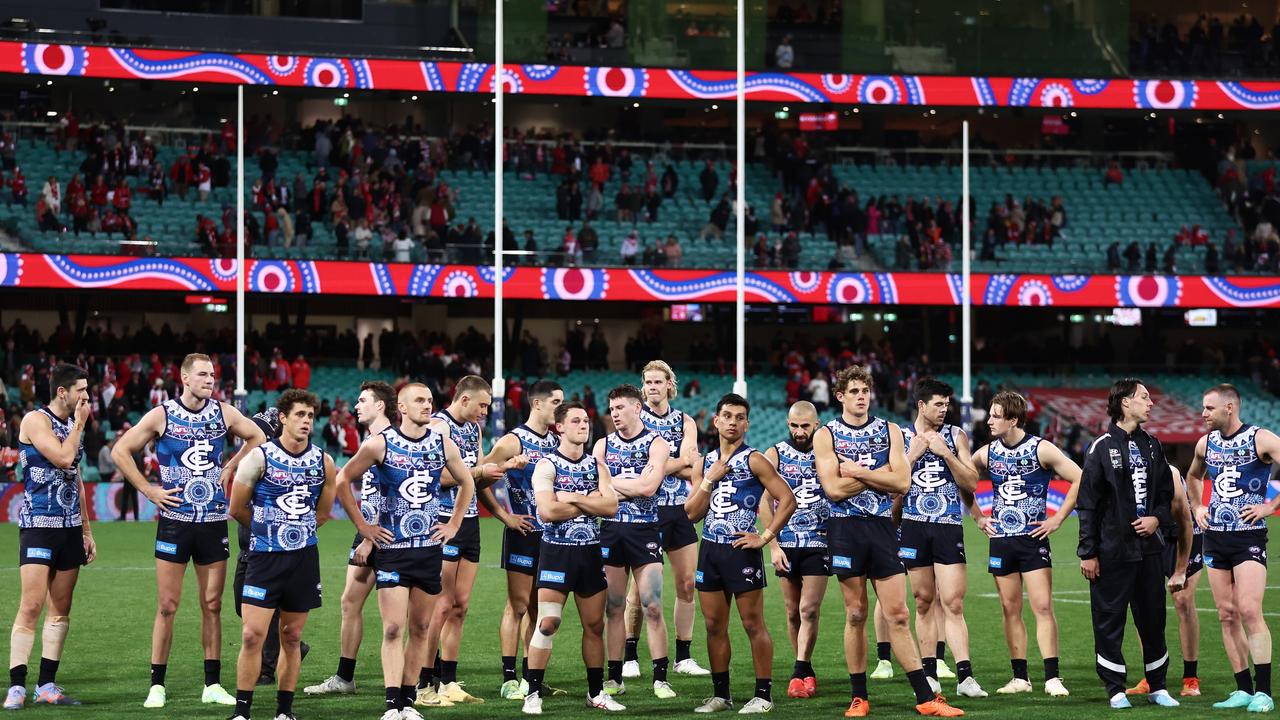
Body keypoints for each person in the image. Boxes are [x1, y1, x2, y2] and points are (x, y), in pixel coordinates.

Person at [112, 353, 266, 709]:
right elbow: (121, 451)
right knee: (167, 605)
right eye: (202, 374)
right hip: (175, 522)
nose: (210, 379)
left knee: (212, 604)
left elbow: (257, 437)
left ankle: (212, 684)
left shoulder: (225, 412)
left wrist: (232, 465)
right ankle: (157, 684)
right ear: (184, 378)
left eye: (212, 374)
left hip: (213, 521)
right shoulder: (161, 415)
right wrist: (148, 490)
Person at [813, 365, 962, 717]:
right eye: (853, 392)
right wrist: (882, 476)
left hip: (881, 528)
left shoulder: (890, 430)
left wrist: (860, 472)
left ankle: (926, 697)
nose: (861, 397)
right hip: (845, 529)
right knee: (855, 614)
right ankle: (859, 697)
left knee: (898, 614)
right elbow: (833, 490)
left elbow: (903, 484)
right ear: (840, 396)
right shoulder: (827, 435)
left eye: (865, 391)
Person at [334, 382, 477, 720]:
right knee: (393, 629)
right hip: (393, 550)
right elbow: (342, 480)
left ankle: (408, 702)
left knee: (421, 629)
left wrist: (454, 524)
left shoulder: (442, 441)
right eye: (419, 400)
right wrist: (364, 528)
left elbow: (467, 481)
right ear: (401, 406)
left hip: (429, 550)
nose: (427, 406)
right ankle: (391, 704)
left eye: (429, 400)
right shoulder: (380, 444)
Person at [227, 389, 337, 720]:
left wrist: (297, 533)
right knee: (251, 635)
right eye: (300, 415)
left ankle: (284, 712)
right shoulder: (259, 457)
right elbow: (237, 507)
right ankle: (242, 712)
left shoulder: (324, 462)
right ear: (284, 418)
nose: (306, 421)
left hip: (303, 560)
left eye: (310, 416)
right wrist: (268, 532)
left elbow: (324, 513)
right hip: (263, 559)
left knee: (291, 636)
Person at [1077, 379, 1185, 709]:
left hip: (1150, 549)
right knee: (1109, 620)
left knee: (1153, 619)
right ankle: (1115, 689)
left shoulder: (1153, 445)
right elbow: (1088, 504)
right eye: (1144, 397)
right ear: (1125, 403)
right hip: (1112, 551)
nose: (1151, 403)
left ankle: (1158, 686)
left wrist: (1156, 519)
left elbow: (1166, 496)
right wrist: (1088, 552)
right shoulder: (1100, 447)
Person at [684, 393, 795, 713]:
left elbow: (787, 500)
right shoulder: (705, 463)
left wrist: (766, 537)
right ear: (716, 421)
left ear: (747, 423)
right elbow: (691, 514)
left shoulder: (755, 459)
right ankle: (722, 695)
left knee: (752, 623)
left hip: (741, 552)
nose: (733, 422)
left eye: (739, 417)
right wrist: (708, 480)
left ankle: (763, 696)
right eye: (727, 416)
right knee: (714, 625)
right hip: (710, 550)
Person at [971, 390, 1081, 698]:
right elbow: (964, 479)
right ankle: (1020, 677)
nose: (989, 420)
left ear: (1013, 420)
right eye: (990, 414)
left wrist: (1057, 519)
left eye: (995, 415)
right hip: (1001, 542)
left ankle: (1052, 677)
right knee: (1009, 608)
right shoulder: (987, 452)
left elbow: (1080, 477)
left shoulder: (1041, 449)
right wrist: (979, 516)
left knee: (1043, 606)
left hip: (1033, 540)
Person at [521, 402, 623, 715]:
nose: (584, 425)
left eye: (586, 420)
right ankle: (533, 693)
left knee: (594, 626)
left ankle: (596, 693)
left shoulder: (597, 465)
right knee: (548, 623)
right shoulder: (547, 465)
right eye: (576, 420)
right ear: (560, 427)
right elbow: (547, 512)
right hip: (556, 553)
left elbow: (611, 508)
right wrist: (589, 500)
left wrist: (572, 498)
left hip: (590, 552)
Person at [5, 364, 93, 711]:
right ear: (62, 392)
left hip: (69, 528)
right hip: (39, 524)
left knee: (61, 608)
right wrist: (80, 425)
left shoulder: (73, 425)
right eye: (81, 390)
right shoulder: (34, 420)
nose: (86, 396)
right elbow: (63, 457)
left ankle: (46, 684)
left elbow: (76, 475)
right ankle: (16, 687)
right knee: (30, 605)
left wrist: (87, 529)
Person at [1186, 383, 1277, 713]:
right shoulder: (1205, 443)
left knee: (1250, 611)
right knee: (1226, 614)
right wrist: (1198, 507)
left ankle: (1264, 691)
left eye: (1209, 408)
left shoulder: (1260, 438)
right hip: (1215, 537)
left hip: (1248, 537)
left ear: (1229, 407)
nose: (1203, 414)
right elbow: (1193, 476)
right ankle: (1243, 689)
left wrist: (1270, 507)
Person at [303, 381, 397, 697]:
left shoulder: (386, 443)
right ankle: (345, 677)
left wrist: (370, 536)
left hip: (388, 533)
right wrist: (364, 530)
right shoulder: (371, 441)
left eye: (363, 400)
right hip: (369, 530)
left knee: (401, 613)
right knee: (350, 601)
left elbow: (392, 495)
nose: (356, 406)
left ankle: (427, 678)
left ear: (380, 405)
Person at [898, 379, 986, 698]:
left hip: (948, 525)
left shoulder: (956, 436)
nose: (944, 410)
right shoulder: (901, 436)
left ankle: (965, 677)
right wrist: (913, 454)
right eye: (938, 404)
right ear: (921, 405)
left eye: (947, 405)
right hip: (913, 525)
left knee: (953, 602)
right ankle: (930, 673)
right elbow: (892, 481)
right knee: (923, 601)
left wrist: (946, 454)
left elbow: (972, 483)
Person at [421, 376, 506, 705]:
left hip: (469, 521)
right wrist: (482, 472)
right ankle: (422, 682)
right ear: (464, 399)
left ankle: (448, 682)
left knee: (460, 607)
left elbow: (477, 471)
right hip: (443, 520)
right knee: (440, 606)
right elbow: (440, 477)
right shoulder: (438, 427)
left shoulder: (475, 429)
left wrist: (500, 470)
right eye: (482, 405)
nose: (485, 411)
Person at [480, 381, 564, 701]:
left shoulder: (558, 442)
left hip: (552, 536)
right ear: (538, 404)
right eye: (556, 402)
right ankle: (509, 679)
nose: (560, 407)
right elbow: (481, 475)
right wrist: (505, 516)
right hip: (523, 532)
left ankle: (533, 680)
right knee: (516, 607)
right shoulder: (514, 440)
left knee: (540, 609)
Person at [592, 385, 675, 699]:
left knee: (652, 606)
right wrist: (628, 486)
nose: (615, 414)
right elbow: (598, 492)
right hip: (611, 529)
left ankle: (660, 679)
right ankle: (614, 678)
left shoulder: (657, 444)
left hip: (644, 530)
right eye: (612, 409)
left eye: (621, 408)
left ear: (637, 408)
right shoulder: (601, 446)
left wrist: (611, 485)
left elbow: (649, 487)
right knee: (613, 607)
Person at [631, 361, 710, 679]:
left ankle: (684, 657)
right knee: (638, 592)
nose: (651, 386)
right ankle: (629, 656)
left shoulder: (685, 421)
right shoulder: (635, 419)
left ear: (669, 385)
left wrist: (662, 463)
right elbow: (641, 468)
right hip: (643, 511)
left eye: (657, 381)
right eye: (647, 381)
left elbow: (692, 464)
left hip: (678, 508)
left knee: (688, 584)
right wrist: (674, 462)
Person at [759, 401, 829, 700]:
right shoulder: (775, 453)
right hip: (786, 542)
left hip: (819, 540)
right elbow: (764, 502)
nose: (799, 432)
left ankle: (799, 670)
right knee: (791, 612)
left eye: (805, 426)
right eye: (794, 426)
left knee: (808, 609)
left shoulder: (828, 449)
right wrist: (772, 544)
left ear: (816, 424)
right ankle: (806, 667)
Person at [1125, 464, 1201, 698]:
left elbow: (1184, 521)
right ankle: (1151, 675)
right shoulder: (1123, 470)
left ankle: (1191, 678)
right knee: (1144, 607)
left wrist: (1180, 569)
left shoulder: (1168, 472)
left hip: (1182, 537)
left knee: (1183, 602)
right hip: (1150, 538)